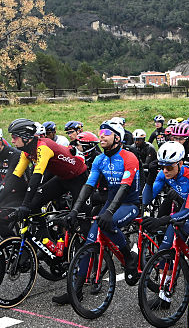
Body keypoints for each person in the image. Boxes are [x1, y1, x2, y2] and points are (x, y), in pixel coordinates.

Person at [57, 120, 143, 305]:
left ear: (117, 138)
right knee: (90, 241)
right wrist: (74, 211)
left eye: (106, 132)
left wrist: (110, 212)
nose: (101, 135)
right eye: (100, 132)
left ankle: (129, 256)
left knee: (107, 224)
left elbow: (124, 188)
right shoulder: (100, 159)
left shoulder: (129, 157)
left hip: (130, 202)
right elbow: (88, 186)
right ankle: (76, 291)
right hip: (112, 202)